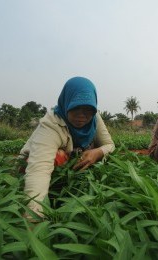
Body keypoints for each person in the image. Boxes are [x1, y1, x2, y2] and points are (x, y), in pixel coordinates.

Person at [20, 76, 115, 217]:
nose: (82, 115)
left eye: (88, 109)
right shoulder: (51, 124)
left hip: (69, 167)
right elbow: (39, 170)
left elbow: (110, 144)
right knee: (59, 156)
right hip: (31, 164)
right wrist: (33, 214)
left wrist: (98, 152)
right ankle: (52, 194)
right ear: (67, 103)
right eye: (76, 108)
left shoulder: (95, 119)